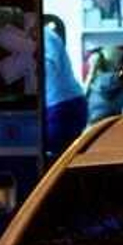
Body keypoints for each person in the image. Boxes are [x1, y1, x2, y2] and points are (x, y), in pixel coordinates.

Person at [42, 18, 87, 156]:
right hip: (66, 102)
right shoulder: (44, 34)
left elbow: (48, 66)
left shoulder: (42, 35)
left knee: (58, 158)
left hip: (61, 105)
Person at [85, 46, 123, 124]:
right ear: (117, 63)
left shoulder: (96, 80)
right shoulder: (118, 79)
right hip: (111, 126)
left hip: (94, 127)